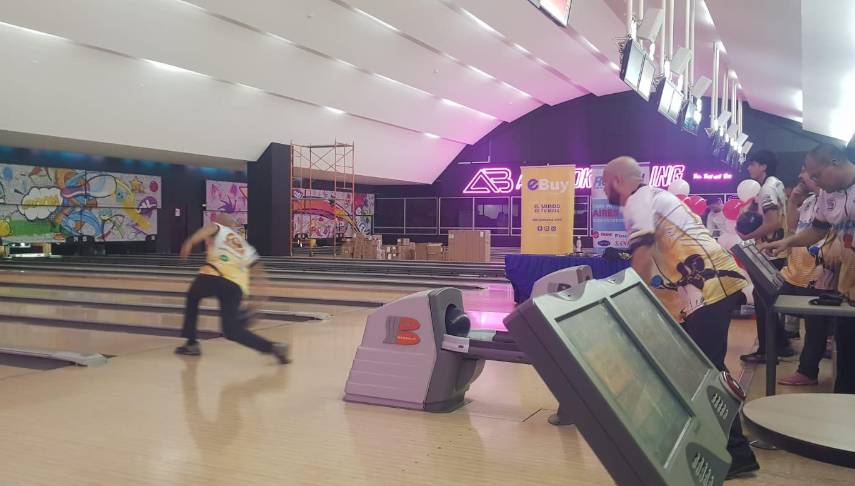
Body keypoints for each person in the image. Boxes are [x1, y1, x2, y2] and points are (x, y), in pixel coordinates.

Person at [602, 156, 759, 478]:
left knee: (707, 371)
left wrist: (633, 302)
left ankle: (737, 454)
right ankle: (718, 441)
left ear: (617, 180)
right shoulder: (657, 196)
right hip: (713, 283)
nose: (604, 189)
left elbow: (642, 256)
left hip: (709, 287)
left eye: (604, 182)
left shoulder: (637, 200)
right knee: (696, 367)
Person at [764, 143, 855, 394]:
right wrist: (787, 241)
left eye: (816, 175)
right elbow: (817, 229)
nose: (814, 182)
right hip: (848, 287)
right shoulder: (827, 195)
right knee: (847, 357)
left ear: (835, 163)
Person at [176, 213, 290, 364]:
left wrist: (189, 242)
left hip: (214, 275)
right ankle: (274, 347)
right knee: (232, 331)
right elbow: (259, 273)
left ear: (220, 222)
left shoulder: (219, 228)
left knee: (192, 296)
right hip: (235, 287)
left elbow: (208, 229)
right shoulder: (244, 246)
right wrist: (257, 303)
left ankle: (191, 344)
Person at [776, 167, 838, 386]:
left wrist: (811, 184)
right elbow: (793, 227)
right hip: (794, 272)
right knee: (767, 299)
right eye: (801, 171)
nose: (801, 176)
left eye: (808, 173)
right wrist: (793, 202)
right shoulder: (810, 202)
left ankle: (808, 371)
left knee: (815, 326)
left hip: (818, 273)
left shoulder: (831, 199)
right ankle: (781, 345)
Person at [738, 150, 795, 363]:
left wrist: (748, 237)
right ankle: (781, 346)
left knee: (764, 304)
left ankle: (767, 351)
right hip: (776, 251)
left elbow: (773, 223)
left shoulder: (768, 189)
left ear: (763, 166)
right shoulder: (776, 184)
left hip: (769, 252)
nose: (748, 168)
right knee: (767, 302)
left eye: (752, 164)